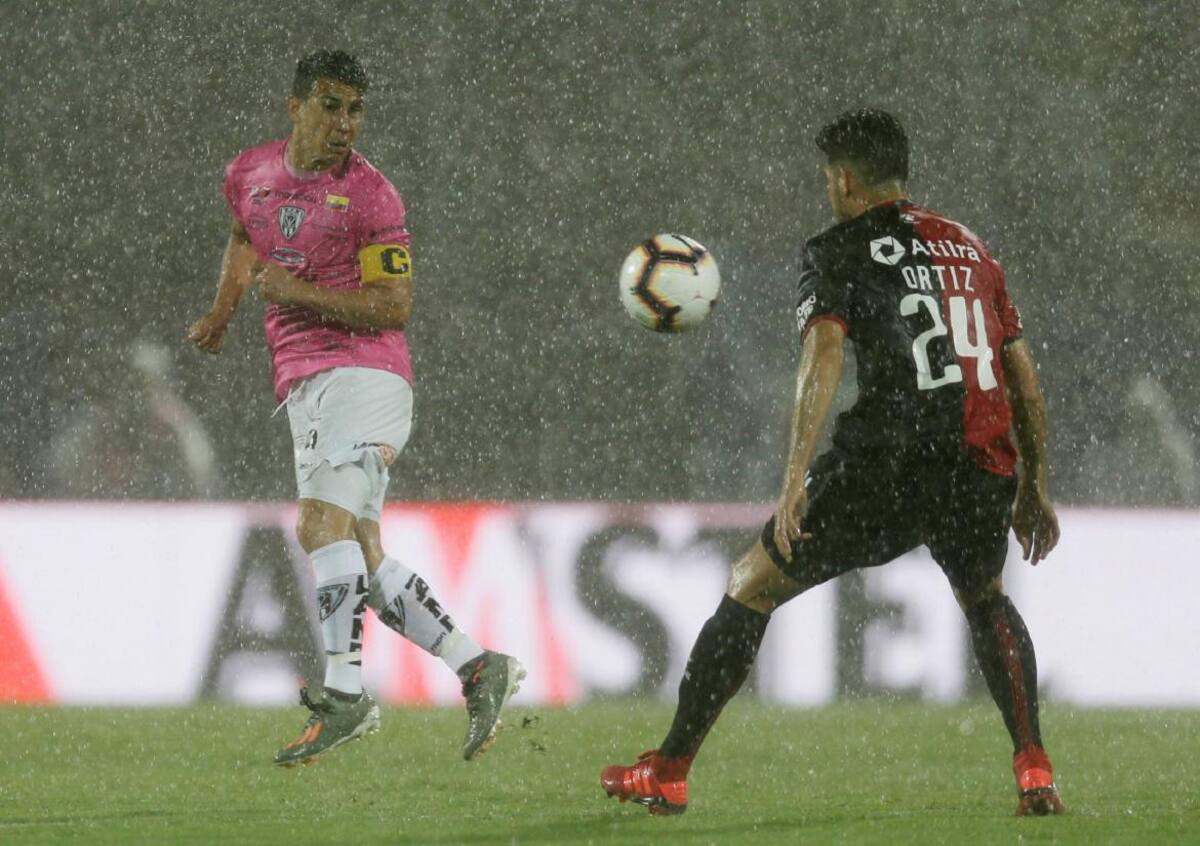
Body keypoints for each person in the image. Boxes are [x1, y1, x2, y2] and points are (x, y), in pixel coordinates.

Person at [600, 109, 1064, 817]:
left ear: (845, 180)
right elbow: (1021, 374)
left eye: (828, 179)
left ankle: (669, 770)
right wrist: (1036, 483)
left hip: (889, 462)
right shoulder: (973, 249)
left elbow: (823, 353)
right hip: (979, 461)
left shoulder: (839, 248)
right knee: (986, 599)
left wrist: (794, 479)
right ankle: (1034, 767)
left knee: (751, 584)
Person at [188, 50, 524, 766]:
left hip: (365, 375)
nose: (346, 124)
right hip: (307, 385)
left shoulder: (372, 197)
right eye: (332, 105)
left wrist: (298, 292)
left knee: (318, 525)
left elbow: (394, 307)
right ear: (295, 106)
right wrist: (222, 312)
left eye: (356, 110)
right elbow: (245, 236)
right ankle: (477, 666)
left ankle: (346, 695)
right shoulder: (248, 172)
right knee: (362, 559)